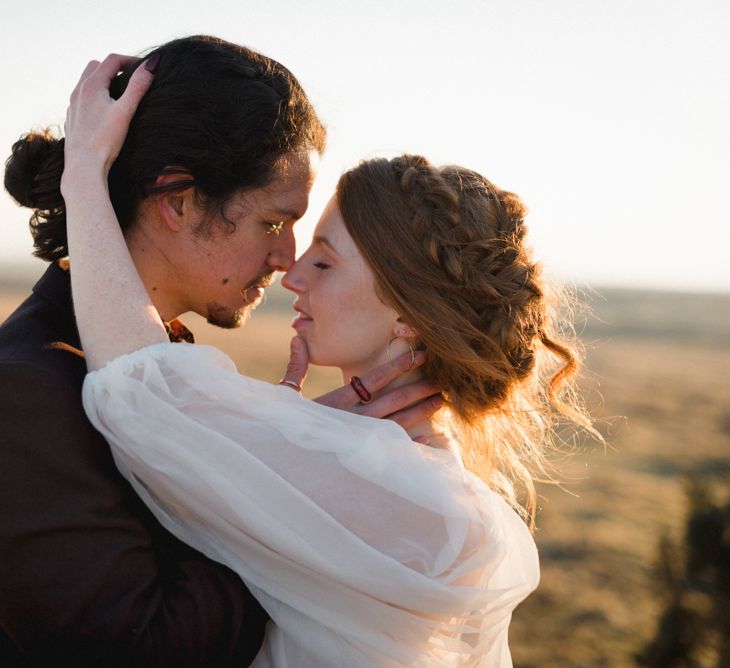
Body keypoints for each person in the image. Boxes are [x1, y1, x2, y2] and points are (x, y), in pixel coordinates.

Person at [56, 51, 597, 667]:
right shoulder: (383, 465)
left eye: (325, 261)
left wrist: (85, 174)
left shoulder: (423, 505)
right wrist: (302, 432)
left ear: (406, 314)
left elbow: (142, 393)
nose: (292, 274)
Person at [0, 38, 438, 666]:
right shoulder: (26, 391)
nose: (287, 260)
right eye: (272, 222)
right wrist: (306, 483)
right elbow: (142, 649)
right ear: (178, 200)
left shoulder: (166, 356)